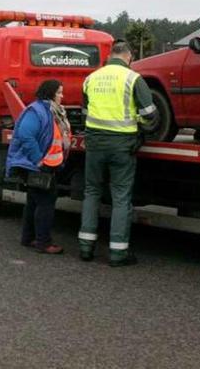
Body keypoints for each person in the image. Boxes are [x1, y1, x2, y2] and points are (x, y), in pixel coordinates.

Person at [79, 41, 157, 267]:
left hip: (94, 143)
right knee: (121, 197)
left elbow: (85, 114)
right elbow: (149, 114)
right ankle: (117, 253)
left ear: (110, 54)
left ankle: (86, 247)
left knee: (91, 192)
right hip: (122, 144)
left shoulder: (91, 78)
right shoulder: (133, 78)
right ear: (129, 56)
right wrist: (139, 125)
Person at [5, 79, 69, 254]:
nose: (62, 96)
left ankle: (29, 238)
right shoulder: (37, 111)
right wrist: (38, 160)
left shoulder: (48, 111)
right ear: (50, 94)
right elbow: (25, 135)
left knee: (34, 200)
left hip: (46, 163)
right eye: (59, 93)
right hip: (38, 165)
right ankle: (43, 242)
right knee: (46, 201)